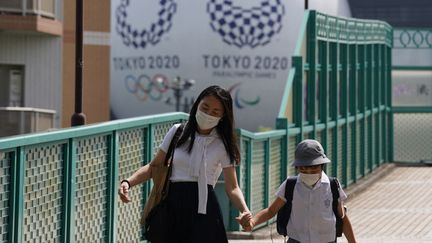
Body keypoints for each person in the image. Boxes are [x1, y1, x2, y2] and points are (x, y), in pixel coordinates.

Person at [118, 85, 251, 243]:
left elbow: (232, 186)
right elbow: (154, 166)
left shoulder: (222, 144)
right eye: (205, 107)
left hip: (204, 207)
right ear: (197, 105)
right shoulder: (177, 131)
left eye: (215, 112)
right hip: (173, 203)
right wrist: (128, 182)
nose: (208, 114)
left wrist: (244, 210)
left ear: (223, 116)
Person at [237, 139, 357, 243]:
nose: (309, 172)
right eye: (304, 168)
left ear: (322, 166)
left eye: (314, 167)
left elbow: (342, 217)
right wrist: (252, 223)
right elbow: (271, 211)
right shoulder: (290, 185)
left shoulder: (332, 186)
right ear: (298, 167)